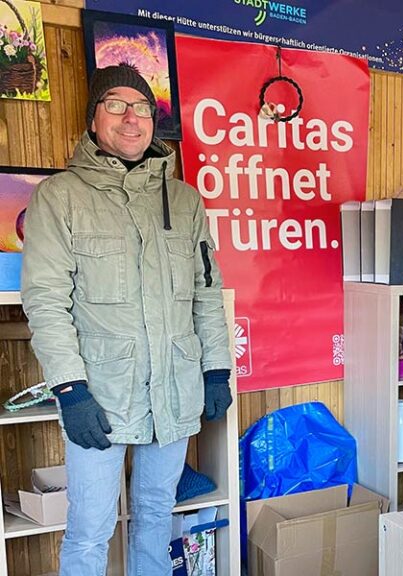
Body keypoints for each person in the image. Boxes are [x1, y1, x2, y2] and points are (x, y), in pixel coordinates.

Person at [20, 64, 233, 576]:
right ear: (94, 119)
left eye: (141, 107)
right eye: (115, 104)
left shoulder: (183, 201)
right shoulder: (60, 196)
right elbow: (46, 301)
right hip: (101, 392)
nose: (131, 117)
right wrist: (70, 389)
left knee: (157, 515)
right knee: (91, 529)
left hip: (174, 389)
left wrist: (217, 369)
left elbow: (206, 292)